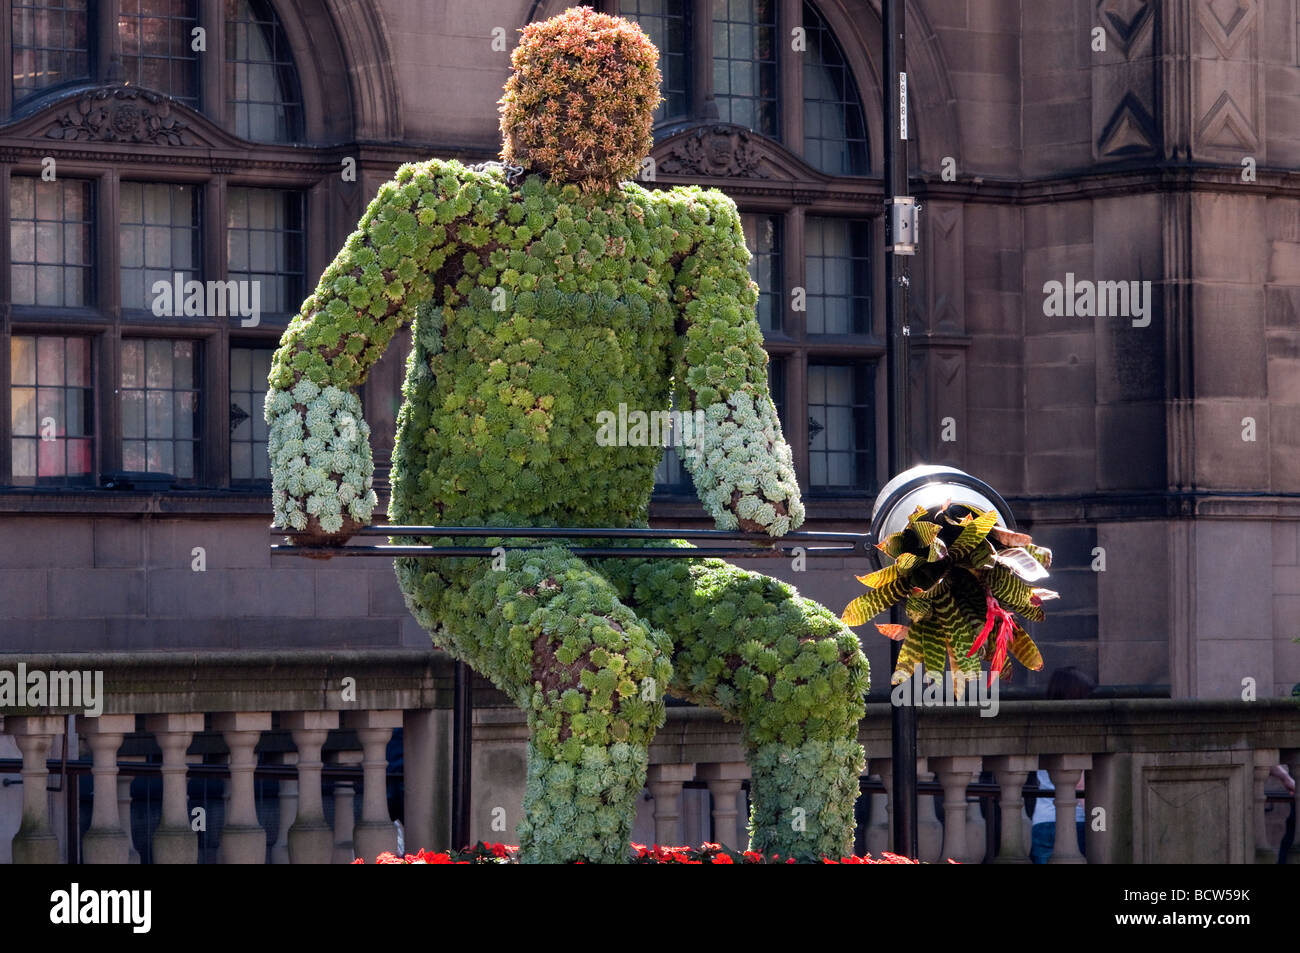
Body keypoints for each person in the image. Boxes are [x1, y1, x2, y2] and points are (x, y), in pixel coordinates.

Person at [1030, 666, 1095, 863]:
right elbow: (1081, 785)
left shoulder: (1041, 728)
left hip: (1042, 820)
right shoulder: (1080, 732)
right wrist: (1100, 825)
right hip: (1077, 821)